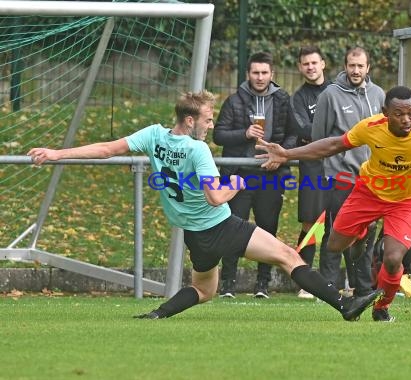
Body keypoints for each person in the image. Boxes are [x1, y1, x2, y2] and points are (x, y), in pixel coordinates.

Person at [27, 90, 381, 321]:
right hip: (220, 226)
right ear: (191, 120)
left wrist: (58, 153)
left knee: (203, 290)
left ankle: (157, 315)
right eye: (209, 119)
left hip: (194, 235)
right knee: (290, 255)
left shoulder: (153, 136)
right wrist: (238, 182)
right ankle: (344, 305)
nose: (213, 124)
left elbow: (106, 149)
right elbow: (215, 197)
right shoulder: (198, 151)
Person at [257, 85, 411, 322]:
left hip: (407, 201)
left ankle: (381, 307)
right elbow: (332, 145)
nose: (406, 120)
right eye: (399, 114)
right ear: (385, 113)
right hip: (368, 193)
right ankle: (363, 232)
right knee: (335, 245)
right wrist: (287, 154)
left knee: (392, 260)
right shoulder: (371, 127)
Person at [213, 52, 297, 299]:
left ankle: (263, 284)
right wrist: (244, 133)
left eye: (264, 72)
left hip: (270, 175)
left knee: (268, 229)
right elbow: (219, 135)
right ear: (248, 74)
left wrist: (280, 156)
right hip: (238, 176)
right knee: (232, 228)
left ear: (272, 74)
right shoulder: (234, 100)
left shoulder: (283, 99)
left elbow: (294, 134)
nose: (260, 77)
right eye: (255, 72)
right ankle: (228, 284)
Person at [312, 46, 385, 298]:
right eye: (351, 66)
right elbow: (318, 138)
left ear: (368, 68)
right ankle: (328, 288)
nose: (356, 71)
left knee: (367, 237)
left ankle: (363, 288)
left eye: (360, 66)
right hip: (340, 179)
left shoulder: (378, 95)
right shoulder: (330, 95)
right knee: (336, 234)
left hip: (371, 181)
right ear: (345, 66)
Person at [290, 46, 332, 299]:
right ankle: (304, 281)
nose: (310, 67)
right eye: (305, 63)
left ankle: (332, 279)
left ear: (323, 64)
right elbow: (304, 129)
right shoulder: (298, 98)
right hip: (312, 166)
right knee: (312, 222)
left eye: (314, 62)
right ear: (300, 67)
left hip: (340, 164)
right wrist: (331, 134)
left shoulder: (336, 90)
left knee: (338, 222)